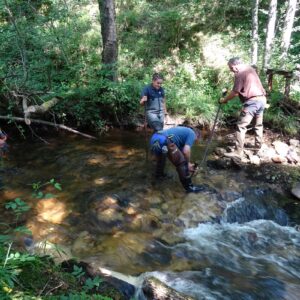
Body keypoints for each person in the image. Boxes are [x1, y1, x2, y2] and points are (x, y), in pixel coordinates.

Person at [219, 57, 267, 158]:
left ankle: (238, 152)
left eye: (230, 68)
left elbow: (235, 92)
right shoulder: (250, 69)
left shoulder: (240, 73)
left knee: (241, 126)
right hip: (262, 100)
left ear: (234, 65)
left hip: (252, 102)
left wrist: (224, 100)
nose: (231, 70)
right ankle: (258, 149)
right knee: (258, 125)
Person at [150, 126, 204, 193]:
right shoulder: (192, 133)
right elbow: (186, 151)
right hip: (165, 139)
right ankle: (189, 187)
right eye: (196, 140)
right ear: (197, 136)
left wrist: (190, 165)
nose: (194, 142)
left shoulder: (182, 134)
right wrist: (187, 164)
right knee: (182, 164)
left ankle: (158, 177)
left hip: (155, 137)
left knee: (161, 160)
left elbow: (179, 154)